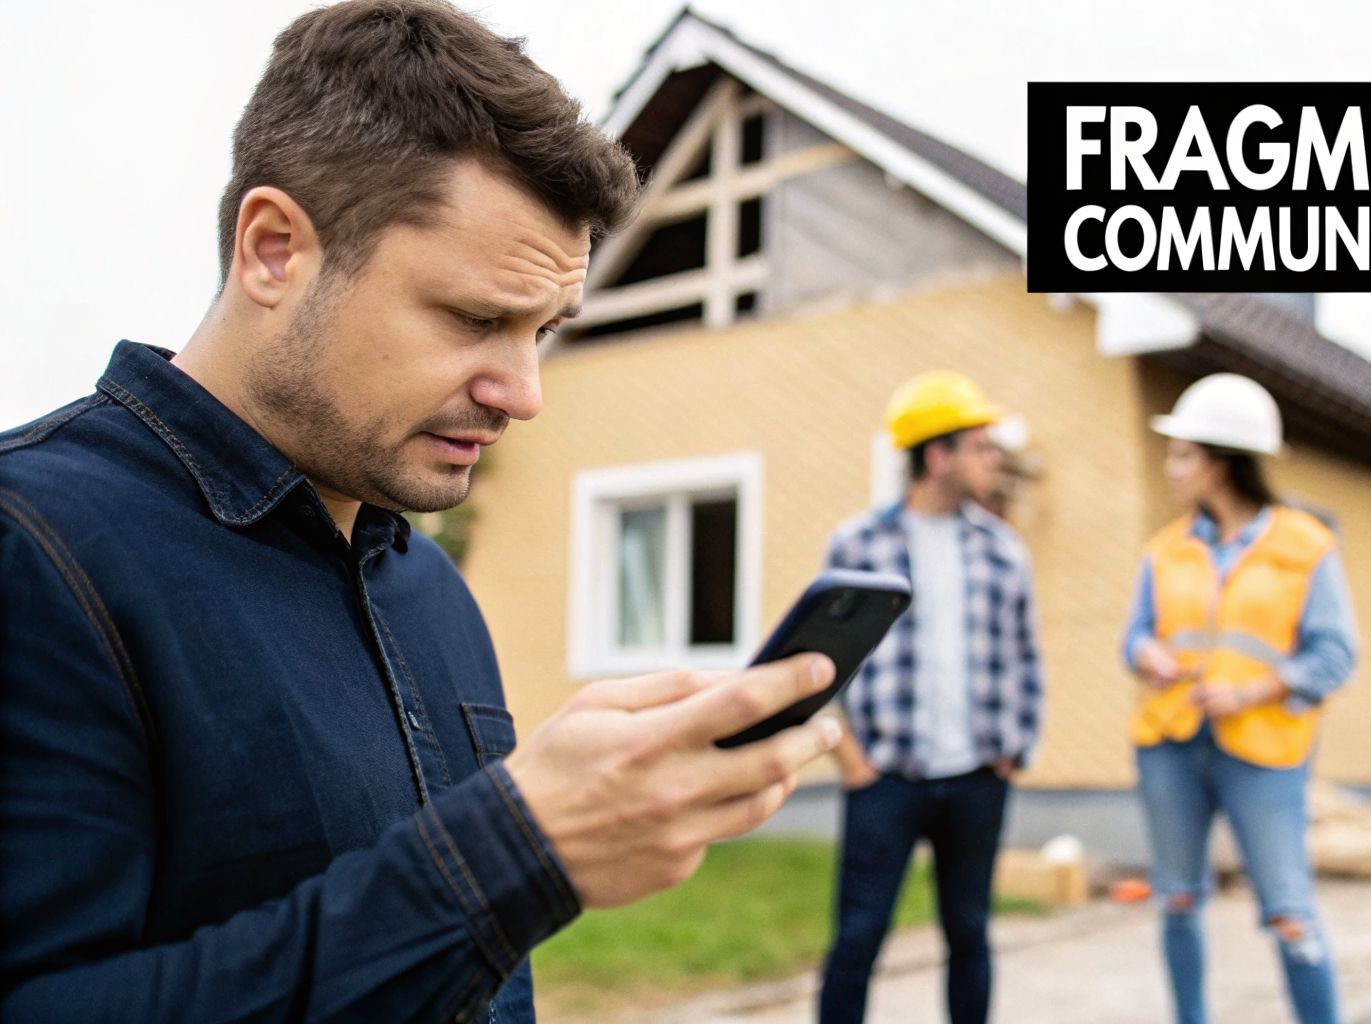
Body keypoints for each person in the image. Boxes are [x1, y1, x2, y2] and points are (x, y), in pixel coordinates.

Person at [0, 3, 844, 1020]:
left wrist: (520, 857)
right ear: (273, 250)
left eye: (542, 329)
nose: (522, 390)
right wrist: (513, 851)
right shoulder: (30, 547)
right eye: (477, 318)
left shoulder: (430, 586)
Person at [1122, 373, 1359, 1024]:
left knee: (1287, 908)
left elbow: (1336, 655)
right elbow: (1134, 636)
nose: (1170, 469)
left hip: (1264, 754)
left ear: (1219, 462)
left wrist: (1251, 690)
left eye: (1181, 454)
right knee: (1176, 898)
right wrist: (1148, 654)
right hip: (1170, 745)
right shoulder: (1164, 550)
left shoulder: (1304, 545)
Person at [817, 371, 1045, 1024]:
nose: (993, 459)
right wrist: (853, 761)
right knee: (858, 938)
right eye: (980, 445)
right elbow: (823, 659)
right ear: (937, 455)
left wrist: (1014, 752)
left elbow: (1027, 659)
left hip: (978, 778)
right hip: (885, 779)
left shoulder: (1004, 551)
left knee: (970, 934)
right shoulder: (858, 544)